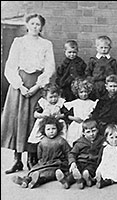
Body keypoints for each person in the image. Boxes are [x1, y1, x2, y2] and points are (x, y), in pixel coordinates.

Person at [1, 13, 55, 174]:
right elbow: (10, 66)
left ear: (41, 27)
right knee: (17, 120)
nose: (35, 27)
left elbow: (50, 67)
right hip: (20, 84)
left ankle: (33, 158)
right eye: (32, 24)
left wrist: (38, 86)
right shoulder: (19, 42)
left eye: (38, 24)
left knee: (34, 121)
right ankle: (17, 159)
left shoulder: (46, 44)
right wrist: (20, 86)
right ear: (27, 25)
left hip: (37, 85)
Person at [12, 116, 71, 189]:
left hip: (57, 164)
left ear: (58, 129)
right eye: (48, 129)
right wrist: (41, 163)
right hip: (44, 163)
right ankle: (25, 180)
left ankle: (37, 181)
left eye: (53, 128)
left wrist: (70, 163)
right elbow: (39, 156)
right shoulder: (42, 142)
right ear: (44, 130)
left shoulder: (61, 141)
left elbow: (68, 153)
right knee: (34, 170)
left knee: (48, 174)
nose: (51, 131)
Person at [27, 83, 68, 169]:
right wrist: (42, 115)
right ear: (45, 97)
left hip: (56, 123)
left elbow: (65, 114)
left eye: (55, 97)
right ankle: (32, 159)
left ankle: (60, 158)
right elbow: (35, 114)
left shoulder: (61, 102)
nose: (53, 99)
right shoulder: (42, 103)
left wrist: (59, 116)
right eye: (51, 97)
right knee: (35, 138)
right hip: (44, 123)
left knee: (61, 139)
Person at [55, 119, 105, 189]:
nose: (91, 134)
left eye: (94, 131)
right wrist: (72, 163)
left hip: (92, 163)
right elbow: (72, 153)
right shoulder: (80, 142)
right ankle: (66, 181)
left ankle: (87, 179)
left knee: (89, 170)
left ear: (98, 130)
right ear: (83, 133)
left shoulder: (101, 140)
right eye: (88, 132)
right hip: (80, 162)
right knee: (74, 171)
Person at [64, 78, 97, 146]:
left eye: (86, 92)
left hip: (87, 125)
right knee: (74, 141)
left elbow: (94, 114)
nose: (84, 94)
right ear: (77, 93)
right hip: (76, 124)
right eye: (81, 92)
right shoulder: (75, 103)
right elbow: (66, 115)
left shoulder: (92, 103)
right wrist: (74, 118)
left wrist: (90, 117)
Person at [85, 35, 117, 100]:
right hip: (96, 84)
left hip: (108, 85)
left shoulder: (112, 61)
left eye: (106, 47)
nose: (103, 49)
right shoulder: (93, 60)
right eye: (101, 47)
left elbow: (116, 73)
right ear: (97, 48)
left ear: (110, 48)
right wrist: (91, 81)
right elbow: (88, 72)